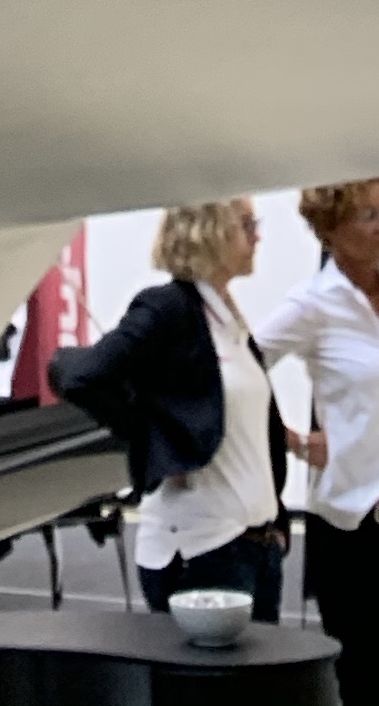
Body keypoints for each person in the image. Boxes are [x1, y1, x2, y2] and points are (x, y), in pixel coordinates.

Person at [258, 180, 379, 706]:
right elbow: (243, 370)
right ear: (330, 231)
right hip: (350, 526)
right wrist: (294, 441)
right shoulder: (312, 306)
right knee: (366, 684)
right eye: (367, 216)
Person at [51, 199, 291, 622]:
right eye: (247, 224)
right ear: (210, 233)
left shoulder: (228, 319)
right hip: (204, 550)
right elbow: (80, 376)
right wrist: (156, 443)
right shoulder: (168, 308)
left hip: (256, 545)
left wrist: (277, 522)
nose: (258, 236)